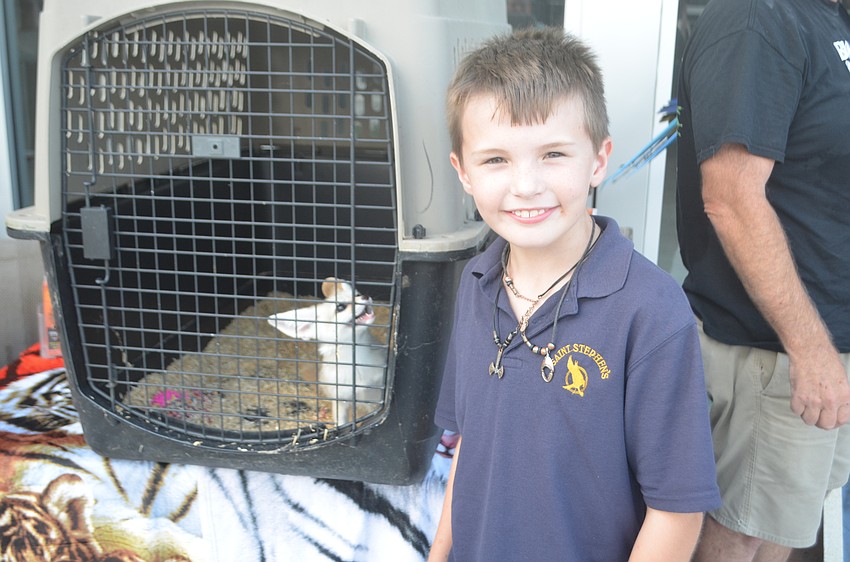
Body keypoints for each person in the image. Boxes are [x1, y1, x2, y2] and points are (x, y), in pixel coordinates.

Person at [428, 27, 721, 562]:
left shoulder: (651, 311)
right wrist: (438, 552)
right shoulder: (474, 284)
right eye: (495, 160)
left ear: (598, 159)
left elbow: (676, 510)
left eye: (554, 154)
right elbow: (470, 446)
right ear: (463, 172)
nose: (526, 185)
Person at [676, 0, 850, 560]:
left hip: (826, 345)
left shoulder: (829, 20)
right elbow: (730, 197)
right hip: (778, 352)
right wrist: (811, 349)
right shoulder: (757, 17)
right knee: (742, 530)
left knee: (781, 527)